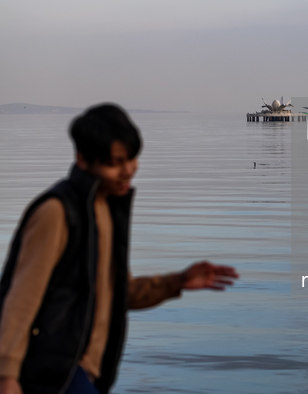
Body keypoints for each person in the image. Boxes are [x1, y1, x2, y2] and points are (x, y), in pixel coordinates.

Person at [0, 104, 239, 394]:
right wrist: (7, 376)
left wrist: (176, 282)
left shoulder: (106, 208)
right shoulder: (57, 212)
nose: (128, 170)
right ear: (83, 160)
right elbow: (21, 300)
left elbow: (116, 293)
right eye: (116, 162)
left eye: (132, 159)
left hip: (85, 373)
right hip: (54, 373)